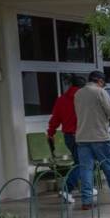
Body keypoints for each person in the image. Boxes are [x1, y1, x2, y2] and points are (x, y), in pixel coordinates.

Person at [74, 71, 110, 210]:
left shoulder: (78, 93)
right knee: (109, 166)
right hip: (100, 137)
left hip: (82, 137)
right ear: (100, 81)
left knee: (86, 169)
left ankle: (87, 201)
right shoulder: (100, 92)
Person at [47, 75, 86, 203]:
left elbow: (55, 119)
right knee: (82, 163)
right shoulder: (82, 99)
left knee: (81, 162)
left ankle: (87, 188)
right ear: (82, 87)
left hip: (68, 136)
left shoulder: (61, 99)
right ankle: (66, 189)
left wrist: (51, 133)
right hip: (82, 136)